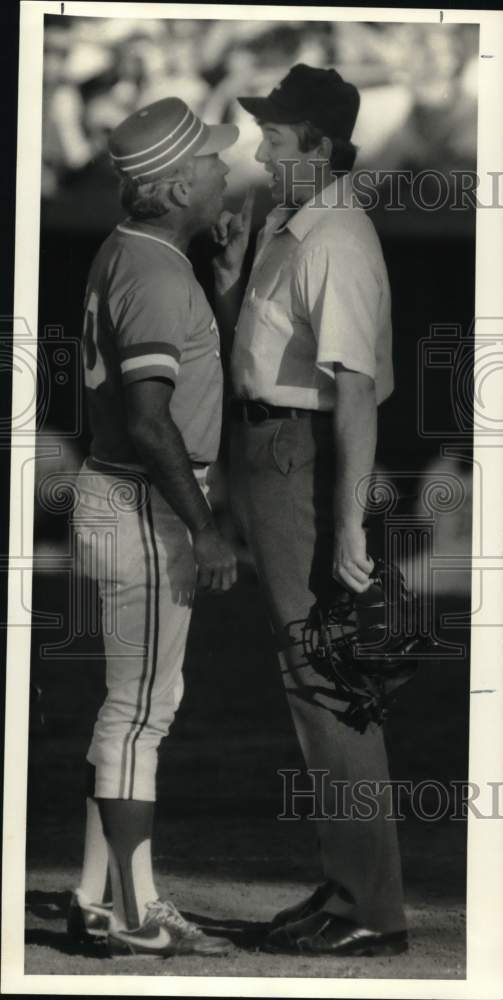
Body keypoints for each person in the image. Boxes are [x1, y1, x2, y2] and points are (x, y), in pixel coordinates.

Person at [213, 64, 408, 956]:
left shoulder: (334, 236)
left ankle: (369, 908)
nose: (260, 153)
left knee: (326, 679)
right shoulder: (291, 222)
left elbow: (354, 391)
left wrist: (347, 524)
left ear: (320, 148)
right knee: (311, 677)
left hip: (304, 457)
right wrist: (228, 279)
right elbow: (265, 355)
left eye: (275, 139)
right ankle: (345, 888)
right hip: (274, 452)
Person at [68, 97, 239, 958]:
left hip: (124, 495)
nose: (223, 166)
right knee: (140, 716)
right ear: (174, 187)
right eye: (208, 159)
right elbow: (148, 419)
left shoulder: (137, 251)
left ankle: (95, 898)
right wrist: (203, 527)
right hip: (142, 501)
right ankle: (136, 915)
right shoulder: (158, 273)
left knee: (130, 710)